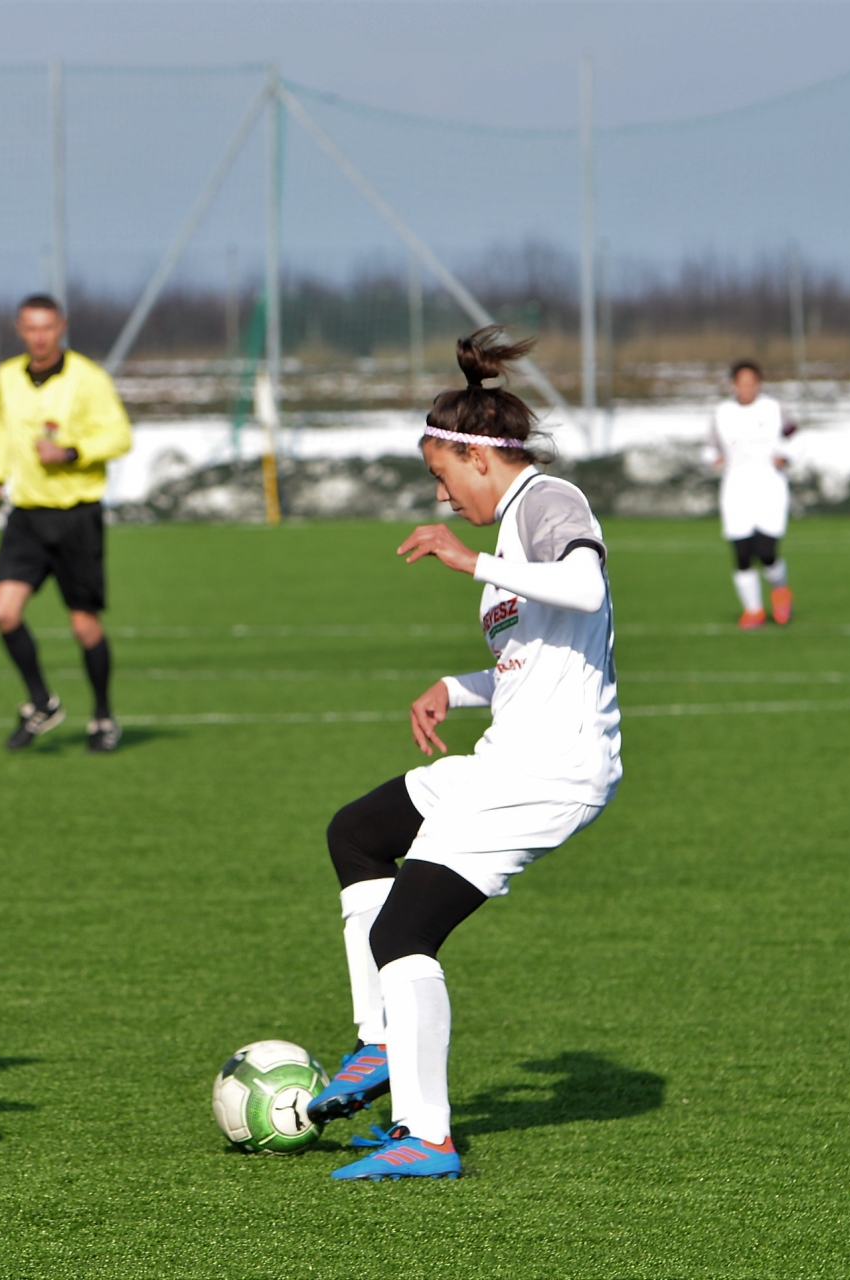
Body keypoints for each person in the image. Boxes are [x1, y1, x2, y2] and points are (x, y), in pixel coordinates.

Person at [304, 328, 622, 1180]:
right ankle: (380, 1046)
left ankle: (427, 1136)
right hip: (507, 757)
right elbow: (535, 658)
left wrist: (469, 560)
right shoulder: (512, 529)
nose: (442, 498)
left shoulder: (548, 501)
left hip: (550, 770)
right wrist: (456, 684)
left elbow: (585, 585)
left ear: (479, 457)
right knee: (358, 833)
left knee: (405, 930)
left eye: (442, 476)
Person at [0, 294, 134, 753]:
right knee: (3, 612)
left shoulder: (88, 377)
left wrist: (70, 452)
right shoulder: (8, 376)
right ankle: (41, 702)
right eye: (31, 328)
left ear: (61, 327)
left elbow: (120, 436)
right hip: (28, 515)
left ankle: (103, 716)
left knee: (84, 625)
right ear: (20, 329)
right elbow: (2, 431)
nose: (39, 337)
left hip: (76, 516)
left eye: (47, 327)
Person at [705, 360, 795, 629]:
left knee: (766, 551)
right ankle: (753, 610)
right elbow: (710, 447)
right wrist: (713, 459)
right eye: (742, 383)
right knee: (742, 552)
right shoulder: (723, 412)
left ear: (759, 383)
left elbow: (795, 437)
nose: (747, 388)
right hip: (736, 489)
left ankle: (780, 588)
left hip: (769, 487)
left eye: (751, 382)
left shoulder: (773, 408)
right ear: (734, 385)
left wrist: (785, 456)